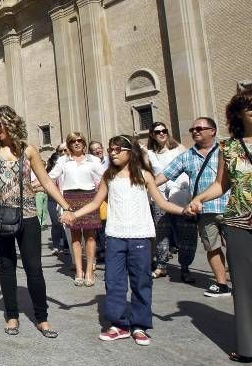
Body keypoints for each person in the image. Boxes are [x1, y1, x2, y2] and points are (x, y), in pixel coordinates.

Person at [62, 135, 188, 346]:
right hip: (115, 236)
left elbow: (162, 203)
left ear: (131, 151)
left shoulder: (144, 176)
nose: (113, 152)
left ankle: (140, 325)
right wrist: (74, 214)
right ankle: (118, 325)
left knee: (141, 282)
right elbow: (95, 203)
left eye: (118, 149)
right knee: (114, 282)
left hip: (140, 236)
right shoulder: (108, 176)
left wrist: (184, 210)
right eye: (111, 149)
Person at [0, 105, 72, 338]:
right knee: (7, 266)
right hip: (1, 216)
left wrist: (66, 206)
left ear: (10, 122)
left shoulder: (28, 150)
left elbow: (47, 182)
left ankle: (42, 318)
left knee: (34, 268)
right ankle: (12, 315)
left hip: (28, 216)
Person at [188, 89, 252, 363]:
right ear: (238, 113)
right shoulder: (231, 147)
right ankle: (248, 346)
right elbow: (222, 184)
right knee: (244, 285)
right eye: (248, 105)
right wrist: (200, 197)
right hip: (239, 220)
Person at [155, 117, 231, 297]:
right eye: (192, 129)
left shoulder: (226, 150)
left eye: (199, 128)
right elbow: (164, 176)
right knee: (212, 247)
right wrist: (139, 184)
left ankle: (243, 282)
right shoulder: (186, 156)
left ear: (213, 130)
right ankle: (221, 284)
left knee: (237, 247)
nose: (195, 131)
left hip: (230, 207)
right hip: (203, 210)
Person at [48, 132, 104, 287]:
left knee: (91, 237)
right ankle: (79, 271)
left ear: (84, 143)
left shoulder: (93, 160)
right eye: (73, 141)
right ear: (69, 144)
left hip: (90, 198)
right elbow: (50, 178)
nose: (77, 143)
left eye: (80, 140)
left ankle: (90, 271)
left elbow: (105, 178)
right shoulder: (63, 161)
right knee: (75, 237)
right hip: (70, 199)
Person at [145, 122, 196, 282]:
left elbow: (191, 169)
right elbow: (146, 173)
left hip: (180, 195)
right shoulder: (149, 153)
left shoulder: (179, 149)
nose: (161, 134)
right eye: (157, 131)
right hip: (159, 197)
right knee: (162, 233)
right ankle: (161, 266)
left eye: (164, 131)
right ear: (152, 135)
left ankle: (185, 267)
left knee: (186, 233)